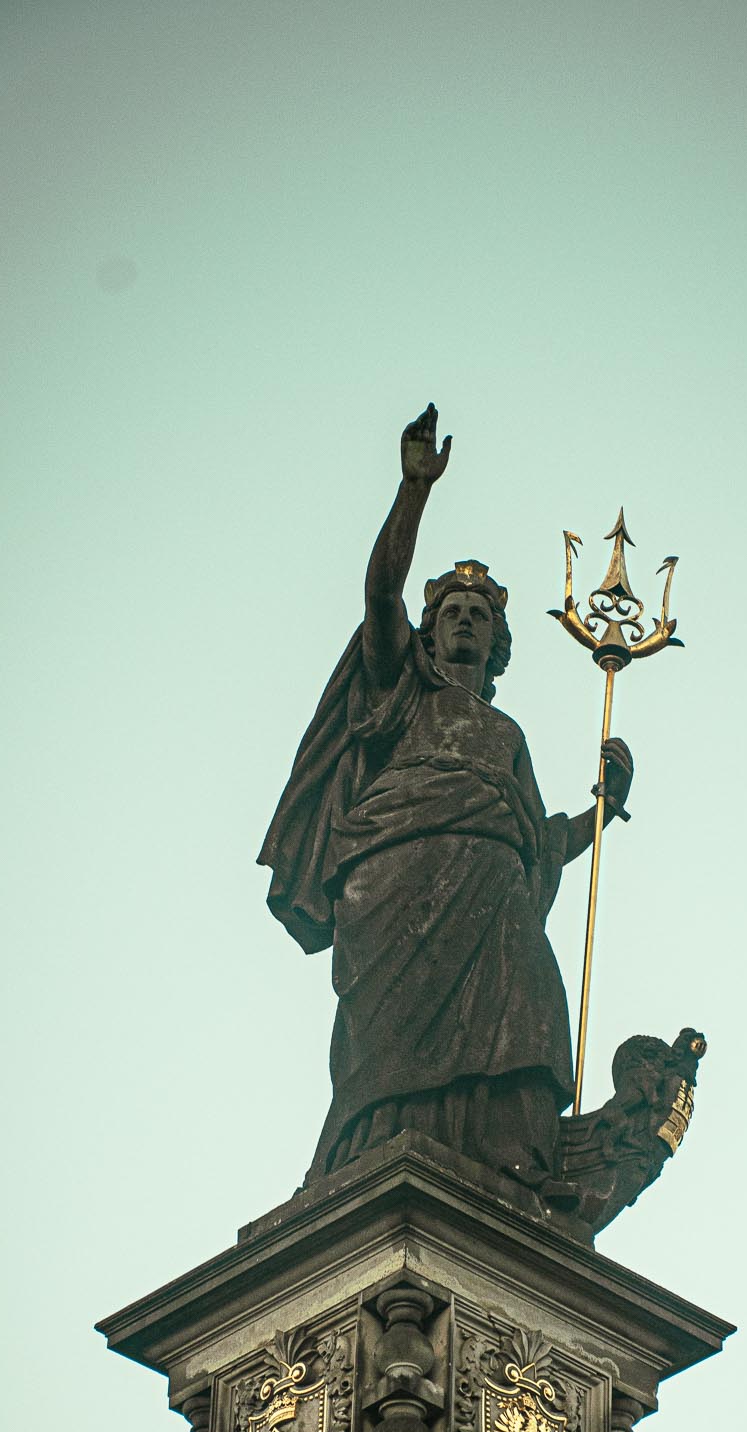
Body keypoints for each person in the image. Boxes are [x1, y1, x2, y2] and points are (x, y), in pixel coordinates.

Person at [259, 404, 633, 1199]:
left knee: (531, 1006)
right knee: (386, 1036)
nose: (465, 621)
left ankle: (509, 1161)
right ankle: (368, 1146)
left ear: (497, 643)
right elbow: (381, 595)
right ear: (430, 631)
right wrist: (413, 491)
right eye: (452, 612)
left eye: (480, 616)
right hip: (398, 874)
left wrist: (603, 810)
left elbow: (537, 837)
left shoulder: (504, 731)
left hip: (495, 889)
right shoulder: (400, 684)